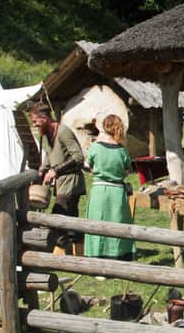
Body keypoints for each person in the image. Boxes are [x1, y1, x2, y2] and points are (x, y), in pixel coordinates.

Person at [30, 102, 86, 255]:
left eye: (35, 121)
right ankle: (79, 254)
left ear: (44, 118)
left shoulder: (63, 132)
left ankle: (58, 253)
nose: (34, 124)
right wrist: (43, 168)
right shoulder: (48, 133)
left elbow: (79, 157)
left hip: (71, 180)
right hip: (62, 182)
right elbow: (50, 154)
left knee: (58, 214)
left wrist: (56, 170)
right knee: (72, 218)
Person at [84, 115, 136, 261]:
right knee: (117, 224)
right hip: (117, 192)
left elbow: (87, 166)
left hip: (99, 191)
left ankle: (96, 258)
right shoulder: (121, 150)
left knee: (97, 224)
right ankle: (117, 257)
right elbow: (128, 170)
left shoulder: (95, 147)